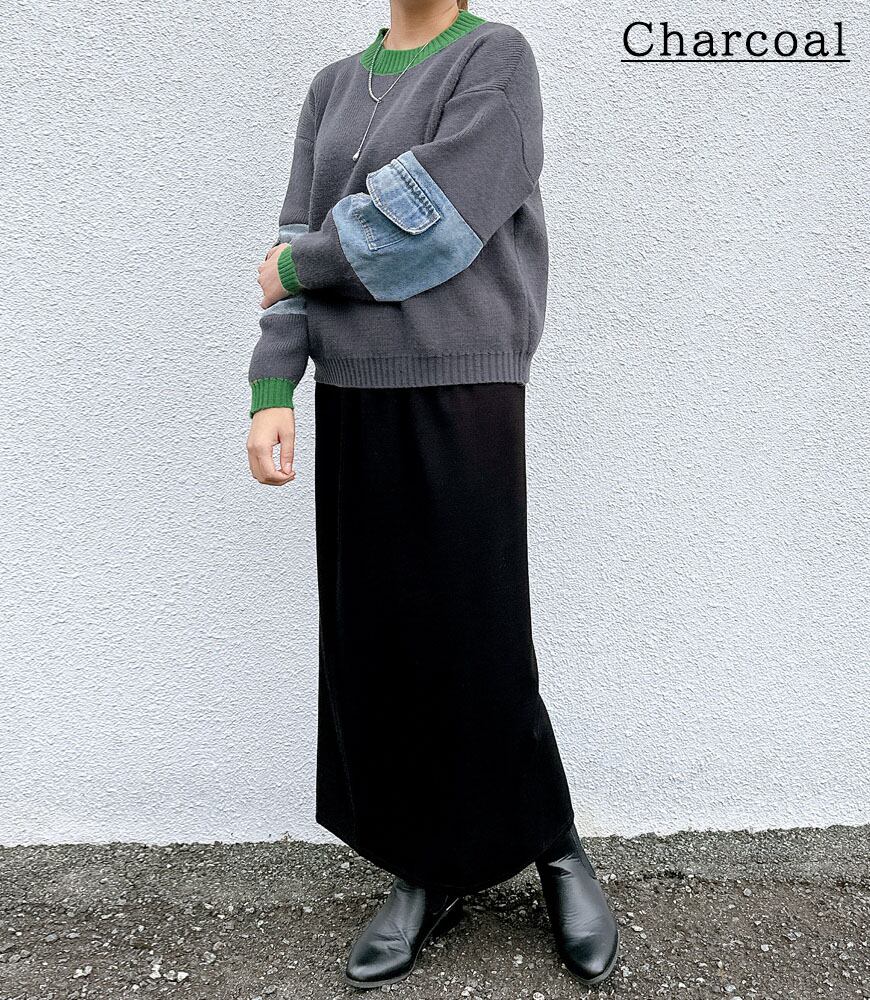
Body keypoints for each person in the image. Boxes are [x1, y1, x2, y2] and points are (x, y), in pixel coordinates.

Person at [246, 0, 620, 989]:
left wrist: (296, 264)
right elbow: (294, 241)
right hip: (354, 391)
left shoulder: (495, 59)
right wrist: (273, 385)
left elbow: (436, 221)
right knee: (386, 644)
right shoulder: (332, 87)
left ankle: (554, 845)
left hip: (465, 380)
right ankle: (428, 865)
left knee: (479, 634)